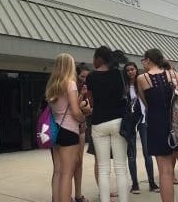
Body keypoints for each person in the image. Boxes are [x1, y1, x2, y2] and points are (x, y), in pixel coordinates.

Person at [137, 48, 178, 202]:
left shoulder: (142, 78)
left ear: (148, 60)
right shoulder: (176, 75)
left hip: (157, 124)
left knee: (165, 172)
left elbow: (146, 102)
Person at [85, 46, 128, 202]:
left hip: (98, 123)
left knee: (103, 169)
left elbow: (91, 102)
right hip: (118, 122)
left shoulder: (90, 77)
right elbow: (125, 94)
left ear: (99, 58)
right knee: (121, 168)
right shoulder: (120, 74)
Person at [47, 53, 90, 202]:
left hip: (55, 130)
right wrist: (83, 118)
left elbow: (62, 107)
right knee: (67, 173)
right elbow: (75, 111)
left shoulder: (52, 85)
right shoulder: (70, 83)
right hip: (69, 131)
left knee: (58, 172)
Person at [124, 62, 160, 193]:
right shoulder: (125, 87)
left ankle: (152, 183)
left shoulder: (142, 82)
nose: (130, 72)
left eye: (132, 69)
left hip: (144, 120)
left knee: (147, 152)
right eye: (128, 70)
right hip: (131, 122)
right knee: (132, 154)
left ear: (136, 70)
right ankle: (134, 184)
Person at [74, 63, 91, 202]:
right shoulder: (70, 85)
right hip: (68, 128)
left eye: (86, 77)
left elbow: (88, 108)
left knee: (79, 162)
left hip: (81, 126)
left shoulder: (87, 87)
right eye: (81, 76)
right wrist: (81, 97)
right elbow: (73, 107)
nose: (84, 79)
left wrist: (85, 107)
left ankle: (78, 194)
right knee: (65, 165)